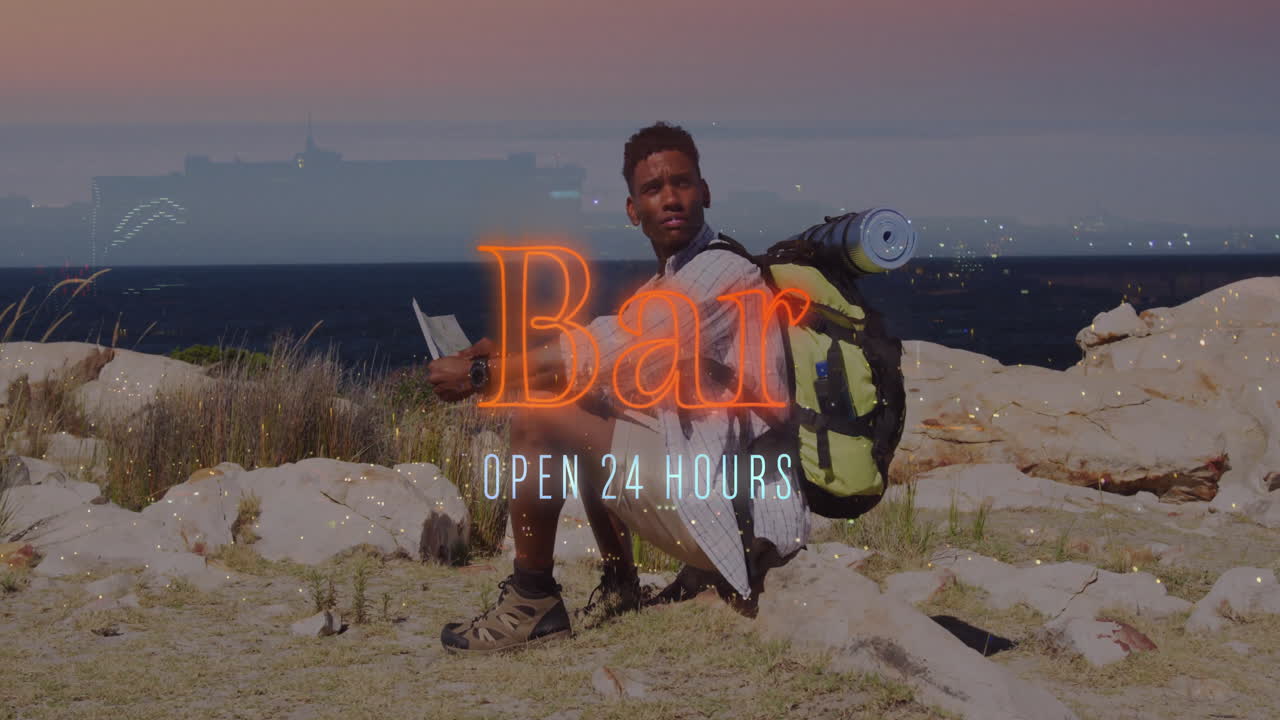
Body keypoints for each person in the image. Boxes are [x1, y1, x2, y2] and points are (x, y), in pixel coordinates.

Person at [426, 121, 809, 654]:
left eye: (682, 183)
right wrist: (504, 357)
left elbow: (614, 346)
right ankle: (620, 582)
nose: (670, 198)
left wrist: (483, 376)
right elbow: (603, 365)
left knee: (537, 414)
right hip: (717, 501)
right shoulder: (671, 281)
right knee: (589, 401)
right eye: (653, 189)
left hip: (741, 521)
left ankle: (531, 601)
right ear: (633, 210)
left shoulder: (722, 273)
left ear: (705, 192)